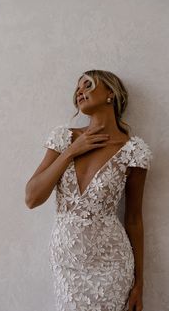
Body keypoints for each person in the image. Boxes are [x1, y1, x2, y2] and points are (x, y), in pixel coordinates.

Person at [25, 70, 153, 311]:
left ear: (110, 94)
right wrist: (71, 152)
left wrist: (139, 283)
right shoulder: (64, 138)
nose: (79, 91)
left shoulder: (134, 151)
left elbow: (134, 218)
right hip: (67, 265)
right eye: (77, 88)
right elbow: (32, 198)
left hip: (112, 264)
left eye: (88, 85)